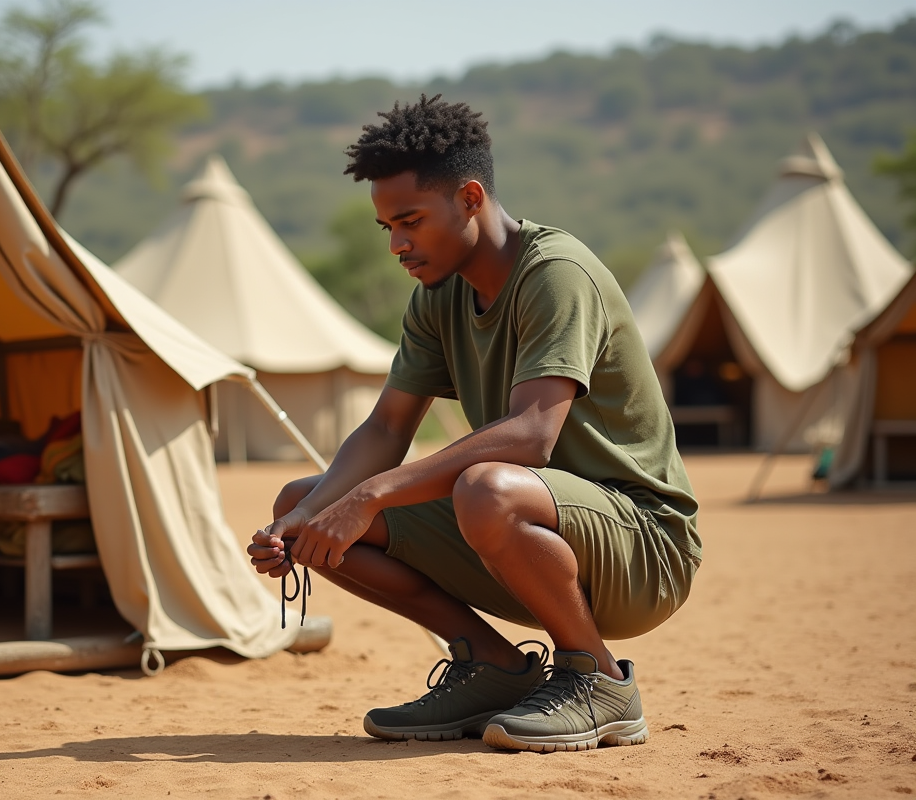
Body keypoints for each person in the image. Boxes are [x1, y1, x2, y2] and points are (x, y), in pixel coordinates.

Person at [247, 94, 701, 752]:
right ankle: (494, 668)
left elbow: (531, 435)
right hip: (524, 532)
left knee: (484, 486)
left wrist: (368, 495)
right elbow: (384, 429)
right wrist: (307, 517)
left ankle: (600, 681)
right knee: (306, 502)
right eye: (387, 228)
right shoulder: (437, 296)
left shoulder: (556, 274)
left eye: (410, 221)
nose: (398, 244)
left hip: (643, 547)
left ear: (468, 198)